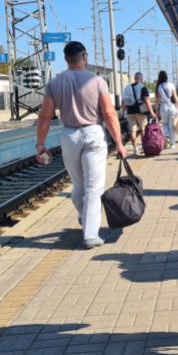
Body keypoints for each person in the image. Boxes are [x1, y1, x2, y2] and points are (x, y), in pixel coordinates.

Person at [35, 41, 127, 249]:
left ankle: (85, 218)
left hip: (69, 136)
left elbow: (44, 118)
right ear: (84, 56)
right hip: (94, 133)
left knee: (78, 184)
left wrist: (40, 145)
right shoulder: (97, 81)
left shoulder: (55, 83)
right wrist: (119, 143)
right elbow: (109, 114)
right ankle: (91, 234)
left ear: (66, 59)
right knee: (94, 187)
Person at [124, 72, 157, 155]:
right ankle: (143, 147)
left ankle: (135, 148)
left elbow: (124, 101)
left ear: (135, 79)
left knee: (133, 131)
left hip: (130, 112)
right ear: (141, 79)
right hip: (140, 112)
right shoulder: (143, 88)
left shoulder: (128, 87)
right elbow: (147, 101)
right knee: (143, 129)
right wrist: (152, 112)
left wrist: (123, 110)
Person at [154, 70, 178, 149]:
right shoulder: (171, 85)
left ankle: (166, 136)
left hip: (163, 107)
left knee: (165, 124)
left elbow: (157, 100)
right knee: (172, 126)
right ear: (166, 77)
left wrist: (157, 111)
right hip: (171, 106)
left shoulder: (159, 86)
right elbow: (175, 97)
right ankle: (172, 144)